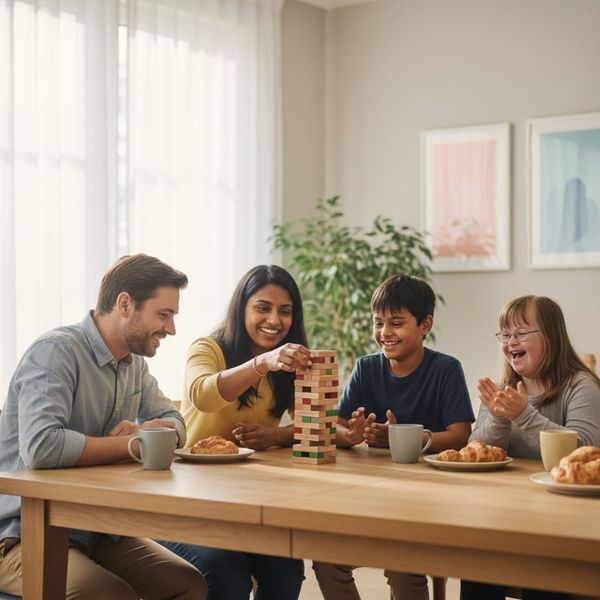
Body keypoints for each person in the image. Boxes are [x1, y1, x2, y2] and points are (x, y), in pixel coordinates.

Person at [0, 254, 207, 599]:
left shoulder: (133, 364)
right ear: (125, 304)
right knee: (109, 595)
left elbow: (175, 422)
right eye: (164, 314)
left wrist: (155, 432)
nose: (171, 329)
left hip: (96, 529)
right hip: (21, 533)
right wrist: (134, 444)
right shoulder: (55, 352)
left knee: (187, 585)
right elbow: (41, 447)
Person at [313, 274, 475, 600]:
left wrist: (402, 438)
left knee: (403, 562)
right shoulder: (366, 368)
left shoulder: (445, 369)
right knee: (325, 558)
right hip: (371, 498)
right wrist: (352, 434)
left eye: (397, 323)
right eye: (378, 323)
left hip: (427, 504)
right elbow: (337, 427)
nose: (385, 333)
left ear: (424, 324)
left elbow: (461, 435)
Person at [160, 264, 310, 599]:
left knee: (287, 569)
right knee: (226, 571)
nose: (274, 320)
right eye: (262, 308)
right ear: (240, 308)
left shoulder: (287, 363)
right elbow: (203, 394)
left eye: (284, 311)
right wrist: (263, 363)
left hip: (248, 502)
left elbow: (311, 426)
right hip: (190, 501)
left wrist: (278, 436)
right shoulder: (207, 348)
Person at [461, 295, 600, 600]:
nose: (512, 341)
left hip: (565, 520)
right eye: (505, 334)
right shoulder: (502, 389)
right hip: (507, 513)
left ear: (551, 336)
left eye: (522, 333)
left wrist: (522, 415)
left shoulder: (580, 385)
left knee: (545, 576)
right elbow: (476, 450)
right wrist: (499, 417)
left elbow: (586, 449)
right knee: (475, 564)